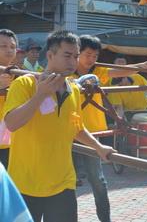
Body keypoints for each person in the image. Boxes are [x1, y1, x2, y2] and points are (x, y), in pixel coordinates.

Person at [3, 30, 115, 222]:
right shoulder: (25, 83)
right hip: (26, 184)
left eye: (75, 56)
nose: (73, 61)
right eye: (67, 55)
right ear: (50, 55)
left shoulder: (73, 89)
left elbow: (76, 127)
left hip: (63, 183)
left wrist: (99, 147)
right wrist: (40, 95)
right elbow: (11, 124)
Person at [72, 35, 147, 222]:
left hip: (92, 133)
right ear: (77, 53)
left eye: (95, 55)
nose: (91, 59)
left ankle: (105, 219)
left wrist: (142, 65)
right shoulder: (67, 73)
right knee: (67, 181)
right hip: (68, 133)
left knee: (98, 180)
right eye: (88, 54)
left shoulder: (98, 72)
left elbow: (118, 71)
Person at [108, 55, 147, 120]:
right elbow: (119, 108)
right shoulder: (113, 86)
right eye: (119, 62)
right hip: (129, 114)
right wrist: (119, 122)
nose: (120, 64)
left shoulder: (138, 77)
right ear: (113, 64)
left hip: (146, 110)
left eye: (122, 62)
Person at [0, 29, 17, 167]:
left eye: (12, 47)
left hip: (13, 140)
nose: (9, 50)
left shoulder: (18, 73)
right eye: (3, 46)